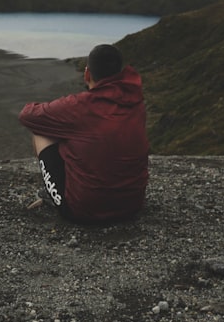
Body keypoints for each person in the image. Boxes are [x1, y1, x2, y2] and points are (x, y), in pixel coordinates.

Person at [18, 44, 149, 223]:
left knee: (42, 132)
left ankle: (52, 194)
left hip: (84, 212)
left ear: (87, 74)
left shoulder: (80, 106)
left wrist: (56, 110)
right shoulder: (136, 102)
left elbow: (27, 116)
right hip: (132, 205)